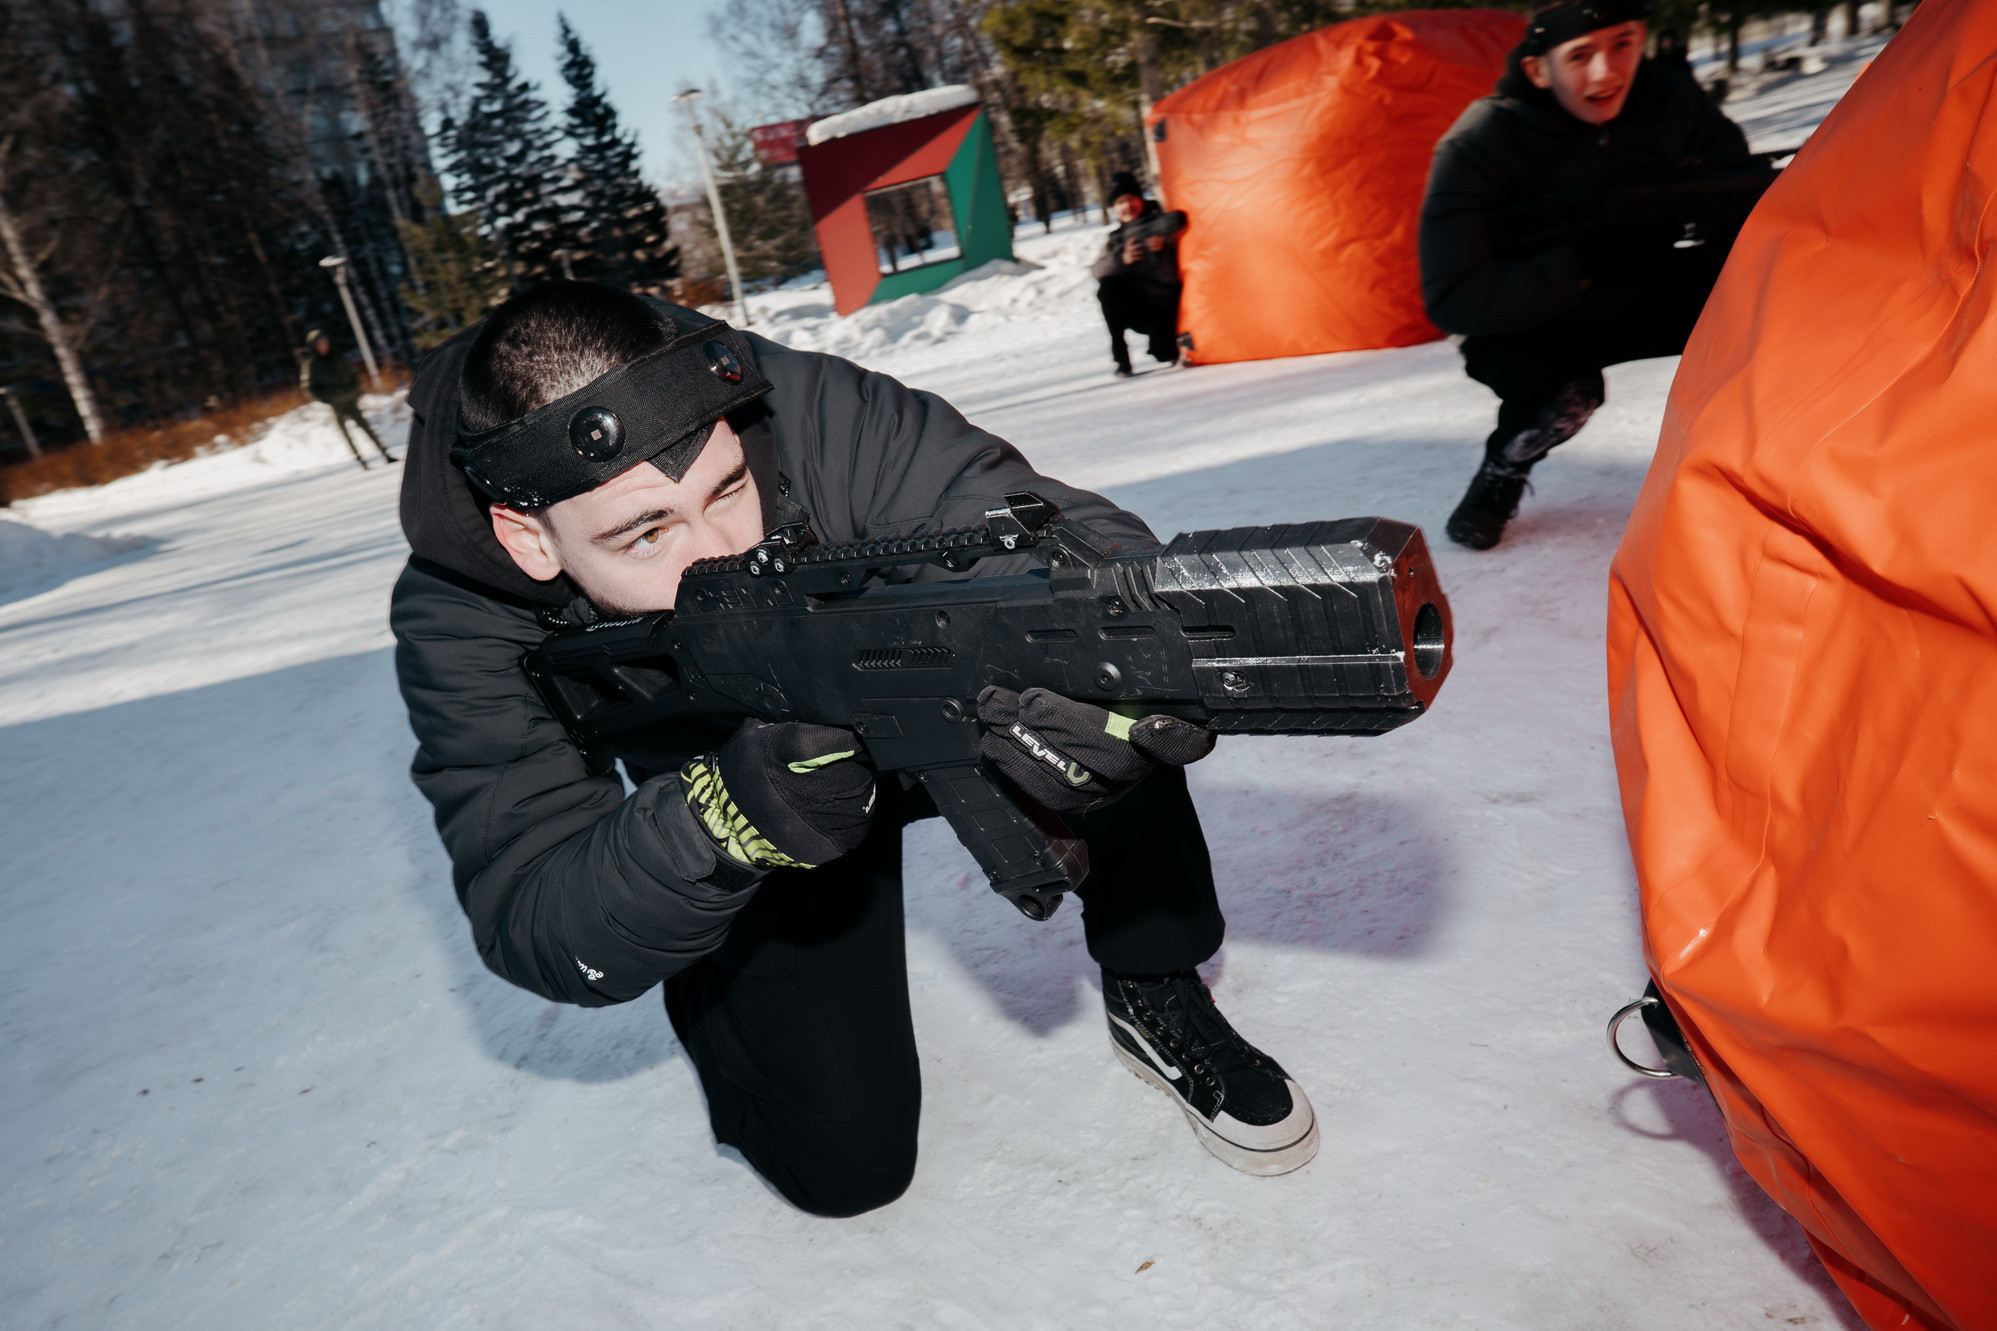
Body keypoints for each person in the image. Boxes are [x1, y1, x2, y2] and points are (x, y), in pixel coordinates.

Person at [389, 281, 1319, 1219]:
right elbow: (532, 909)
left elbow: (1045, 531)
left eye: (729, 489)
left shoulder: (793, 403)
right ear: (528, 538)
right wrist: (717, 826)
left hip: (906, 687)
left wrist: (1116, 655)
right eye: (645, 533)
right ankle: (717, 984)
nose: (721, 554)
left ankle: (1154, 977)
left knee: (1081, 663)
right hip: (742, 785)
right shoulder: (459, 618)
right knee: (844, 1168)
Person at [1418, 0, 1747, 549]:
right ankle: (1501, 473)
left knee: (1771, 303)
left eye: (1624, 44)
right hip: (1527, 314)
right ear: (1537, 69)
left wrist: (1716, 227)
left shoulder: (1671, 98)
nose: (1607, 70)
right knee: (1563, 397)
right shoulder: (1480, 141)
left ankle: (1762, 466)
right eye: (1580, 55)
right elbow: (1453, 295)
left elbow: (1743, 195)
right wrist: (1578, 268)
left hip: (1645, 283)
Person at [1091, 170, 1183, 378]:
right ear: (1114, 209)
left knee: (1164, 353)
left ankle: (1168, 343)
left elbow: (1171, 277)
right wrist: (1121, 259)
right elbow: (1096, 271)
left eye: (1131, 199)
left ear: (1140, 199)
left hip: (1163, 307)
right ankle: (1121, 358)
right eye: (1120, 203)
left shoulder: (1161, 225)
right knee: (1108, 287)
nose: (1127, 206)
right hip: (1139, 310)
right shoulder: (1117, 239)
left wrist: (1162, 252)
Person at [301, 329, 395, 470]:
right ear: (313, 346)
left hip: (350, 399)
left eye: (324, 343)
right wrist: (327, 398)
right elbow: (308, 387)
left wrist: (355, 392)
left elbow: (354, 376)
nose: (323, 346)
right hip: (335, 403)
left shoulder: (339, 358)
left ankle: (384, 453)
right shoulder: (312, 364)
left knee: (366, 427)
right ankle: (360, 460)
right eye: (319, 344)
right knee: (345, 432)